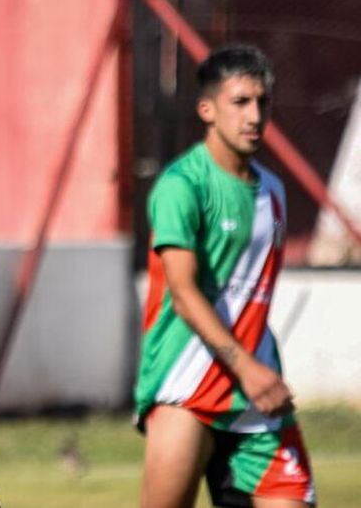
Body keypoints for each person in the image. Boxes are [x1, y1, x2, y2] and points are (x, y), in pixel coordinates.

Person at [134, 44, 316, 508]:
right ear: (207, 109)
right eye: (240, 102)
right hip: (185, 384)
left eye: (262, 102)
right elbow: (183, 291)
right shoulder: (183, 185)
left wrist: (259, 371)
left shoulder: (273, 191)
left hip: (258, 391)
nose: (254, 115)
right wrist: (247, 369)